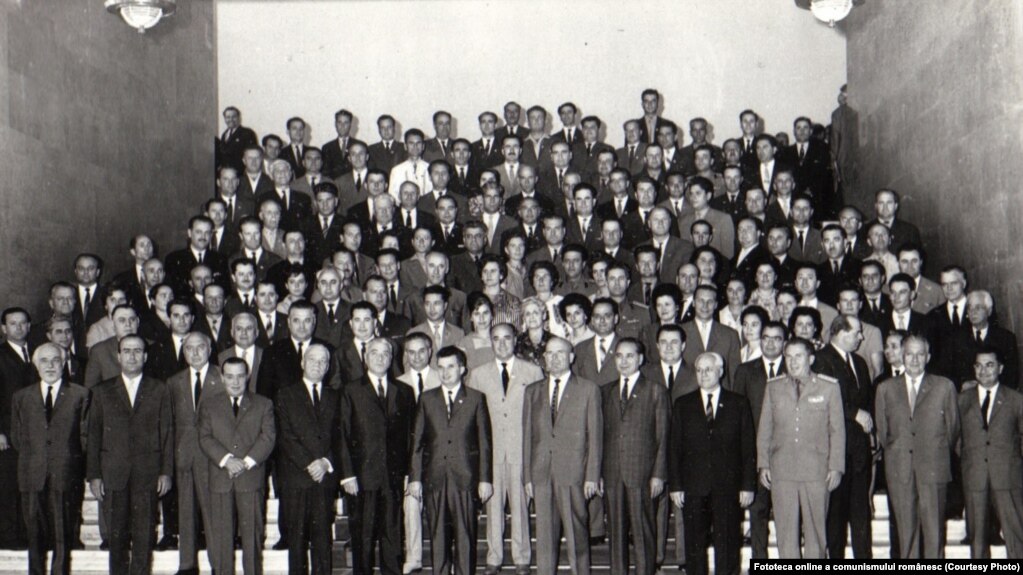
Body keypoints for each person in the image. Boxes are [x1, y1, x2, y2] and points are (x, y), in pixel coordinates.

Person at [87, 334, 173, 575]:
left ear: (145, 357)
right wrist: (94, 475)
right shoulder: (102, 391)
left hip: (148, 473)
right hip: (113, 473)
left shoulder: (159, 389)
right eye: (127, 351)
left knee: (144, 535)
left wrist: (166, 472)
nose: (132, 356)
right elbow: (93, 435)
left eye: (137, 351)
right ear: (118, 356)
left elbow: (167, 433)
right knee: (116, 537)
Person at [408, 346, 493, 575]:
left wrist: (485, 479)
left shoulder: (476, 398)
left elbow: (484, 443)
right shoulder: (426, 399)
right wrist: (415, 478)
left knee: (465, 536)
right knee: (437, 536)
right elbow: (417, 442)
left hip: (465, 478)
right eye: (441, 367)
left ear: (462, 369)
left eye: (451, 367)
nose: (445, 373)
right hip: (434, 477)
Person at [757, 337, 845, 558]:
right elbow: (765, 428)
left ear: (811, 359)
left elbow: (837, 431)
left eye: (799, 356)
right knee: (786, 534)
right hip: (782, 470)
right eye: (788, 357)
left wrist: (836, 467)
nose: (793, 362)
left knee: (816, 533)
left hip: (816, 470)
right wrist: (763, 464)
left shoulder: (829, 387)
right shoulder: (773, 387)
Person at [669, 352, 755, 575]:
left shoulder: (738, 403)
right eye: (699, 370)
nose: (703, 374)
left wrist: (747, 485)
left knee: (728, 542)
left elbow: (747, 448)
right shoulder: (683, 404)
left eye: (708, 369)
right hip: (693, 486)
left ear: (721, 371)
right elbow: (675, 448)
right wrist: (676, 486)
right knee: (694, 545)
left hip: (727, 486)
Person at [467, 323, 543, 575]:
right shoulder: (477, 375)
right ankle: (494, 557)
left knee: (521, 506)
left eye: (506, 338)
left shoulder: (532, 372)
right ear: (490, 341)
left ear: (515, 341)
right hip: (491, 452)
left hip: (521, 451)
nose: (501, 344)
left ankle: (522, 558)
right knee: (493, 507)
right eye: (496, 339)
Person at [522, 336, 602, 575]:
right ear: (544, 358)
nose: (554, 358)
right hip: (541, 474)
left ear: (571, 357)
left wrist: (592, 476)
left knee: (577, 535)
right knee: (544, 539)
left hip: (574, 473)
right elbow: (528, 437)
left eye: (560, 353)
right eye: (550, 353)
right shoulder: (532, 391)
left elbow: (595, 436)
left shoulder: (588, 389)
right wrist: (527, 477)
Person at [875, 335, 959, 558]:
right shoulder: (885, 389)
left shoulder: (944, 386)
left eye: (920, 354)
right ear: (902, 357)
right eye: (909, 354)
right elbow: (883, 433)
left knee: (934, 533)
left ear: (928, 357)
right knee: (906, 535)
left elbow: (952, 430)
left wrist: (933, 451)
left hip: (933, 468)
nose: (914, 359)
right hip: (899, 468)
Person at [339, 338, 416, 575]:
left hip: (393, 477)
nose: (380, 358)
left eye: (385, 354)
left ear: (392, 358)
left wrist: (409, 473)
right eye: (374, 353)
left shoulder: (404, 391)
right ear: (365, 357)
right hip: (362, 478)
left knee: (392, 536)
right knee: (362, 537)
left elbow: (410, 437)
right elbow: (342, 434)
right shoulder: (351, 390)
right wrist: (347, 475)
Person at [11, 343, 89, 575]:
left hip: (65, 473)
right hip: (32, 474)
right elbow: (17, 437)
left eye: (56, 360)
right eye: (44, 361)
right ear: (35, 365)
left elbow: (85, 437)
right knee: (34, 535)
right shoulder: (21, 397)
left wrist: (67, 460)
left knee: (62, 535)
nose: (50, 365)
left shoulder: (80, 394)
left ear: (64, 364)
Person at [197, 357, 276, 575]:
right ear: (222, 378)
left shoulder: (263, 404)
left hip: (250, 478)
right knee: (222, 540)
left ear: (248, 376)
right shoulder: (209, 405)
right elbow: (204, 437)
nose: (235, 381)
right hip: (221, 479)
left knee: (252, 539)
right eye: (230, 376)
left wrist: (246, 462)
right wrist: (226, 460)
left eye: (240, 376)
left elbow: (268, 437)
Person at [602, 338, 670, 575]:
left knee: (643, 534)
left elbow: (663, 436)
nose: (624, 361)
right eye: (619, 356)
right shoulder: (606, 391)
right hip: (612, 474)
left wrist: (658, 474)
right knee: (616, 535)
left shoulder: (655, 390)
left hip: (642, 474)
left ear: (640, 359)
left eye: (629, 356)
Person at [274, 343, 342, 574]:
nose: (317, 365)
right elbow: (285, 436)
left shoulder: (336, 396)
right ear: (302, 362)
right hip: (296, 478)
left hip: (324, 479)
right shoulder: (285, 394)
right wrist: (310, 464)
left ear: (328, 367)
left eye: (323, 361)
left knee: (323, 541)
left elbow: (341, 437)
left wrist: (325, 463)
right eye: (312, 359)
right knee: (297, 542)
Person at [814, 316, 874, 559]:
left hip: (859, 452)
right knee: (836, 517)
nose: (861, 337)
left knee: (861, 515)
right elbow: (823, 401)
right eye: (857, 332)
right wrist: (854, 413)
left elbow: (867, 401)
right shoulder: (821, 359)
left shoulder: (859, 362)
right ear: (840, 333)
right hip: (836, 453)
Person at [958, 348, 1023, 559]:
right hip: (975, 475)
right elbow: (955, 437)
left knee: (1016, 535)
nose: (983, 371)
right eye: (978, 366)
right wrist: (970, 459)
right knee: (977, 539)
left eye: (989, 365)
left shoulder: (1015, 400)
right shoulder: (962, 400)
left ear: (1000, 368)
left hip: (1007, 476)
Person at [167, 332, 222, 574]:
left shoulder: (222, 377)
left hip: (213, 458)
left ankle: (218, 564)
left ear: (209, 349)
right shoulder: (174, 382)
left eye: (200, 347)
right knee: (185, 512)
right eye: (189, 348)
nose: (195, 352)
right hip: (185, 457)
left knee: (213, 514)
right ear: (184, 352)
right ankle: (187, 564)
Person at [731, 321, 787, 559]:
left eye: (776, 338)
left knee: (788, 515)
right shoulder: (745, 371)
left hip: (788, 453)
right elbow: (737, 415)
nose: (770, 343)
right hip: (756, 453)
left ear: (784, 342)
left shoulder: (794, 368)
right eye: (766, 338)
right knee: (758, 512)